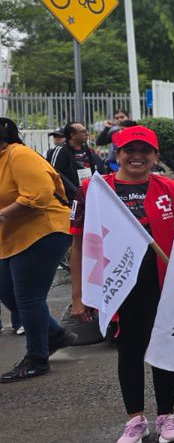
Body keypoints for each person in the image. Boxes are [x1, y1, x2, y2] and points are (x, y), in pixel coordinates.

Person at [68, 126, 174, 443]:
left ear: (155, 156)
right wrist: (79, 297)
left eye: (144, 150)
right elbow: (78, 245)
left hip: (162, 286)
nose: (137, 156)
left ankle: (167, 417)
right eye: (129, 150)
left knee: (163, 349)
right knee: (129, 351)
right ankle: (135, 419)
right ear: (116, 154)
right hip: (118, 288)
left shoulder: (172, 189)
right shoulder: (94, 190)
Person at [0, 118, 74, 383]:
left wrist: (1, 215)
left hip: (45, 230)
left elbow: (39, 194)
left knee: (28, 297)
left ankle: (37, 358)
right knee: (7, 292)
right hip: (14, 236)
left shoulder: (19, 155)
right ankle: (55, 333)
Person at [48, 122, 106, 200]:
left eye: (86, 131)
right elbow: (53, 173)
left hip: (87, 193)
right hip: (70, 197)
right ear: (72, 135)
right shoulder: (61, 151)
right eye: (83, 132)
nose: (87, 134)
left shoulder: (85, 148)